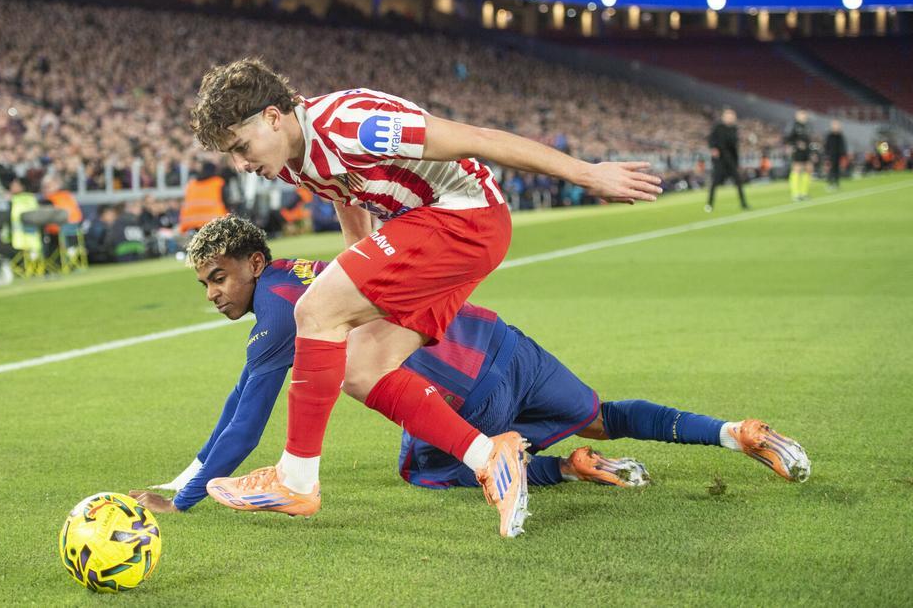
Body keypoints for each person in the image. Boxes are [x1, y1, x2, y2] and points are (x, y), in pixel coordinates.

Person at [188, 58, 661, 537]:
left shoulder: (354, 127)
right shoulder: (292, 160)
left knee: (313, 310)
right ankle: (489, 457)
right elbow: (344, 192)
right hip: (434, 230)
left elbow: (481, 139)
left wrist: (585, 174)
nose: (240, 165)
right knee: (360, 367)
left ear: (273, 117)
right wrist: (360, 268)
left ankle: (296, 480)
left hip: (466, 218)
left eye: (241, 147)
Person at [129, 217, 810, 523]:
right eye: (204, 283)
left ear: (254, 263)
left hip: (454, 385)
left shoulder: (282, 308)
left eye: (218, 277)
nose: (212, 292)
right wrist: (189, 473)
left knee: (422, 469)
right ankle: (736, 433)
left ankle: (557, 468)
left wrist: (184, 498)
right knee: (604, 414)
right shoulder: (297, 272)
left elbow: (247, 417)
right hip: (497, 338)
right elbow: (239, 396)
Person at [705, 108, 748, 212]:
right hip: (720, 160)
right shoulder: (718, 127)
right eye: (728, 116)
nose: (730, 118)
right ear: (724, 117)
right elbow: (711, 140)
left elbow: (735, 147)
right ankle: (709, 204)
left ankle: (743, 203)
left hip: (731, 160)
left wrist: (737, 162)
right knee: (715, 182)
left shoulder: (734, 128)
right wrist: (713, 148)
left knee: (738, 181)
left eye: (732, 116)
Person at [786, 110, 813, 201]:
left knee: (808, 169)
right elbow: (787, 138)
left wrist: (810, 150)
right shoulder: (793, 126)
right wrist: (796, 144)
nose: (804, 116)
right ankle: (795, 193)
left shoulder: (807, 126)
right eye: (802, 114)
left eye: (805, 114)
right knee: (796, 169)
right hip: (797, 151)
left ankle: (804, 193)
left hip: (806, 151)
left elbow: (809, 139)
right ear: (797, 116)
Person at [823, 120, 847, 192]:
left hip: (838, 155)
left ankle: (836, 183)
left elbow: (843, 145)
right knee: (831, 170)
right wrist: (826, 155)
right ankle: (830, 184)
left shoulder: (840, 135)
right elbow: (826, 145)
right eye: (835, 125)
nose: (836, 127)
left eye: (837, 125)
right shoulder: (829, 135)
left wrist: (843, 154)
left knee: (837, 170)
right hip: (831, 155)